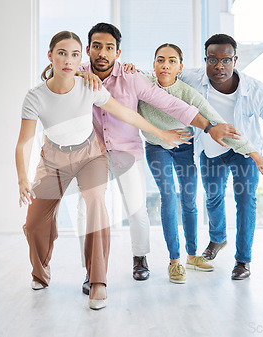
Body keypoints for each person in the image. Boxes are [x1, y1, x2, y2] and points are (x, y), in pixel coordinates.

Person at [15, 31, 190, 310]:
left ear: (80, 58)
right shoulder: (36, 96)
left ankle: (98, 280)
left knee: (96, 206)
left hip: (89, 157)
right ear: (50, 56)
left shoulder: (91, 86)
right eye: (62, 53)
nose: (68, 60)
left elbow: (126, 113)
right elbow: (24, 141)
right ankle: (41, 270)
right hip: (51, 161)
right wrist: (23, 178)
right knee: (35, 223)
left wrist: (161, 133)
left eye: (74, 55)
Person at [78, 23, 243, 292]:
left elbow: (172, 104)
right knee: (89, 212)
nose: (102, 53)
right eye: (97, 46)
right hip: (93, 154)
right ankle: (92, 270)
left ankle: (141, 258)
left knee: (138, 211)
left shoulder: (132, 77)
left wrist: (210, 127)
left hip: (127, 152)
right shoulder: (79, 74)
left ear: (118, 52)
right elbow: (55, 81)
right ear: (88, 49)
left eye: (109, 47)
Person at [137, 43, 263, 283]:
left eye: (172, 61)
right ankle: (175, 261)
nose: (165, 65)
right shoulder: (142, 83)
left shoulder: (187, 93)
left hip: (184, 148)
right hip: (157, 147)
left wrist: (254, 154)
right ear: (153, 64)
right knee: (169, 196)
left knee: (189, 200)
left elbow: (217, 123)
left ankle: (192, 256)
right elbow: (115, 75)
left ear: (180, 67)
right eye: (160, 60)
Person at [179, 34, 263, 280]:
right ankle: (217, 239)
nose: (219, 66)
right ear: (205, 59)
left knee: (246, 201)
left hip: (246, 153)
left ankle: (242, 260)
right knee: (213, 197)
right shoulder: (192, 80)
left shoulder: (256, 90)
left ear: (235, 59)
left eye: (226, 60)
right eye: (213, 60)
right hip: (210, 149)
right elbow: (164, 76)